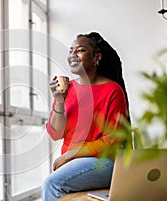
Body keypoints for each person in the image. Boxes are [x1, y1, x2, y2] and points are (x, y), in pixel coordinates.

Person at [41, 32, 130, 201]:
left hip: (103, 161)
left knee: (52, 185)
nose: (73, 55)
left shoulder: (112, 90)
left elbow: (112, 140)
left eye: (80, 50)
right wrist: (59, 101)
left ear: (96, 57)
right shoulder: (67, 89)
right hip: (73, 163)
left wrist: (70, 154)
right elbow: (55, 134)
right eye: (70, 51)